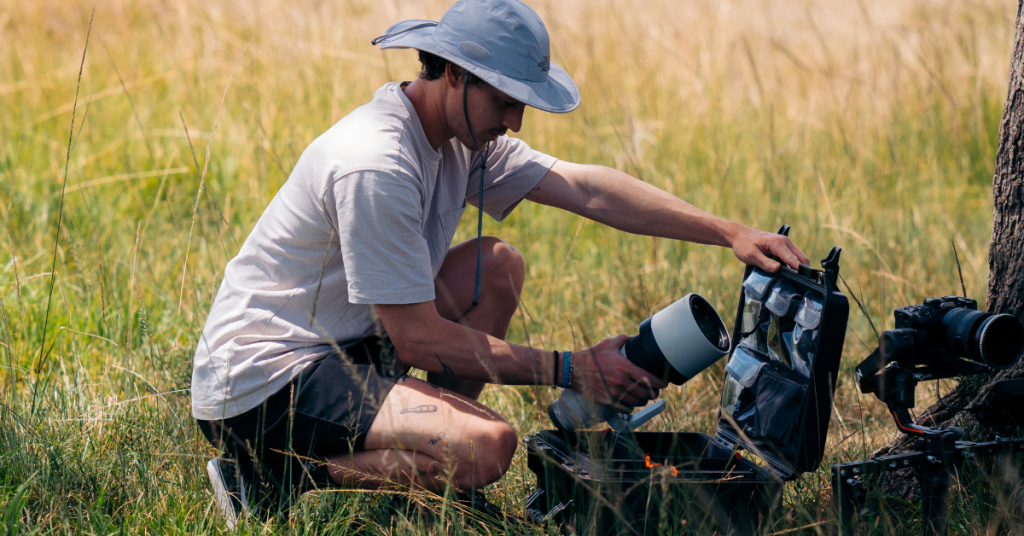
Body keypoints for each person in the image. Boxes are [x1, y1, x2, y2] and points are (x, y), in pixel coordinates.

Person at [192, 0, 809, 526]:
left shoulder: (457, 137)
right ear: (455, 74)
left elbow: (585, 189)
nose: (514, 121)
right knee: (487, 447)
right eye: (506, 101)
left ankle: (429, 481)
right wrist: (573, 368)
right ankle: (269, 479)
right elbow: (417, 338)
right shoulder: (377, 163)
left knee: (498, 265)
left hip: (341, 345)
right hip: (261, 380)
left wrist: (729, 232)